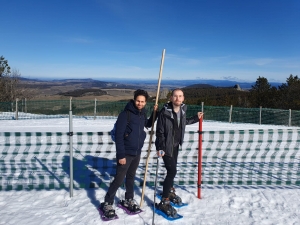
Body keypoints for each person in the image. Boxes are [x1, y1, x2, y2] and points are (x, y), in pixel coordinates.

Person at [99, 89, 158, 219]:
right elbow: (119, 136)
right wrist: (121, 155)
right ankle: (108, 203)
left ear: (145, 102)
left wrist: (155, 113)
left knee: (131, 177)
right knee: (119, 179)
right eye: (138, 101)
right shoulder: (125, 114)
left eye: (143, 101)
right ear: (134, 100)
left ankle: (129, 199)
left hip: (137, 152)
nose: (140, 103)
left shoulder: (142, 113)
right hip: (125, 152)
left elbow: (147, 124)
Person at [155, 88, 203, 216]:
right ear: (171, 98)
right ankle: (164, 201)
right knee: (172, 171)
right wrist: (160, 147)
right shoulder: (164, 112)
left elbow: (184, 123)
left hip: (175, 145)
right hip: (165, 147)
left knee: (172, 169)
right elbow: (159, 132)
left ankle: (169, 191)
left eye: (180, 96)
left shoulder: (182, 110)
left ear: (183, 98)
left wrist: (196, 118)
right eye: (175, 96)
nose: (177, 98)